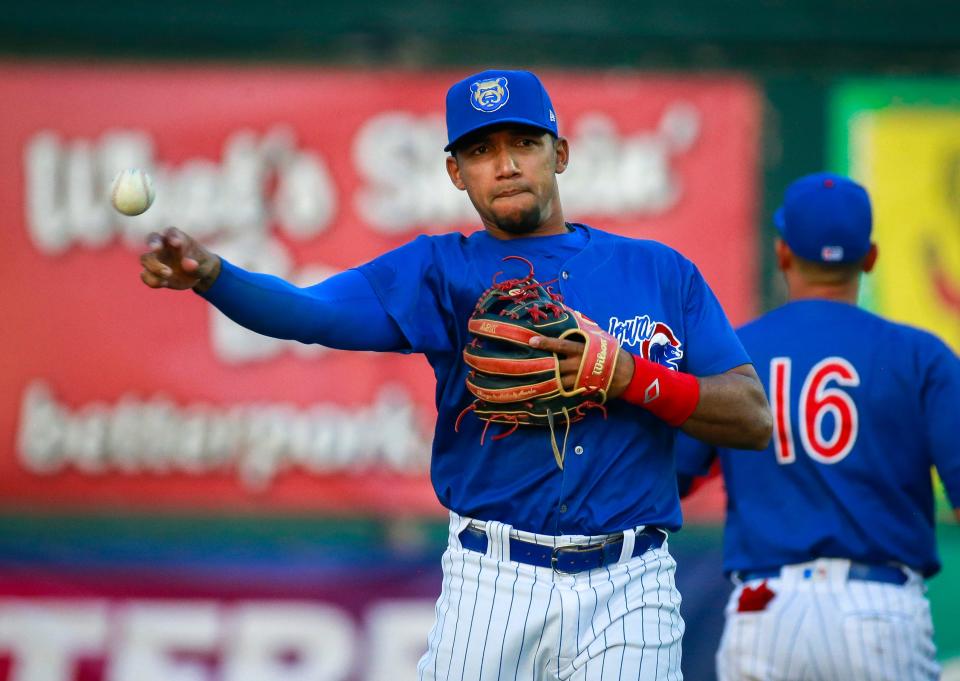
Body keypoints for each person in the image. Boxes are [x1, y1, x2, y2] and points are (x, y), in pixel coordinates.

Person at [140, 69, 772, 681]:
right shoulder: (440, 270)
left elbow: (751, 417)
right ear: (455, 172)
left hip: (630, 583)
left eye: (524, 142)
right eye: (480, 149)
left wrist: (632, 377)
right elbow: (313, 312)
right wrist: (215, 277)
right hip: (492, 582)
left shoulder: (658, 272)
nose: (505, 164)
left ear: (561, 153)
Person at [675, 172, 960, 681]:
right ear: (869, 258)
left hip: (765, 607)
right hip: (879, 608)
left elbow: (675, 478)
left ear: (783, 251)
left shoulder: (734, 356)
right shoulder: (922, 356)